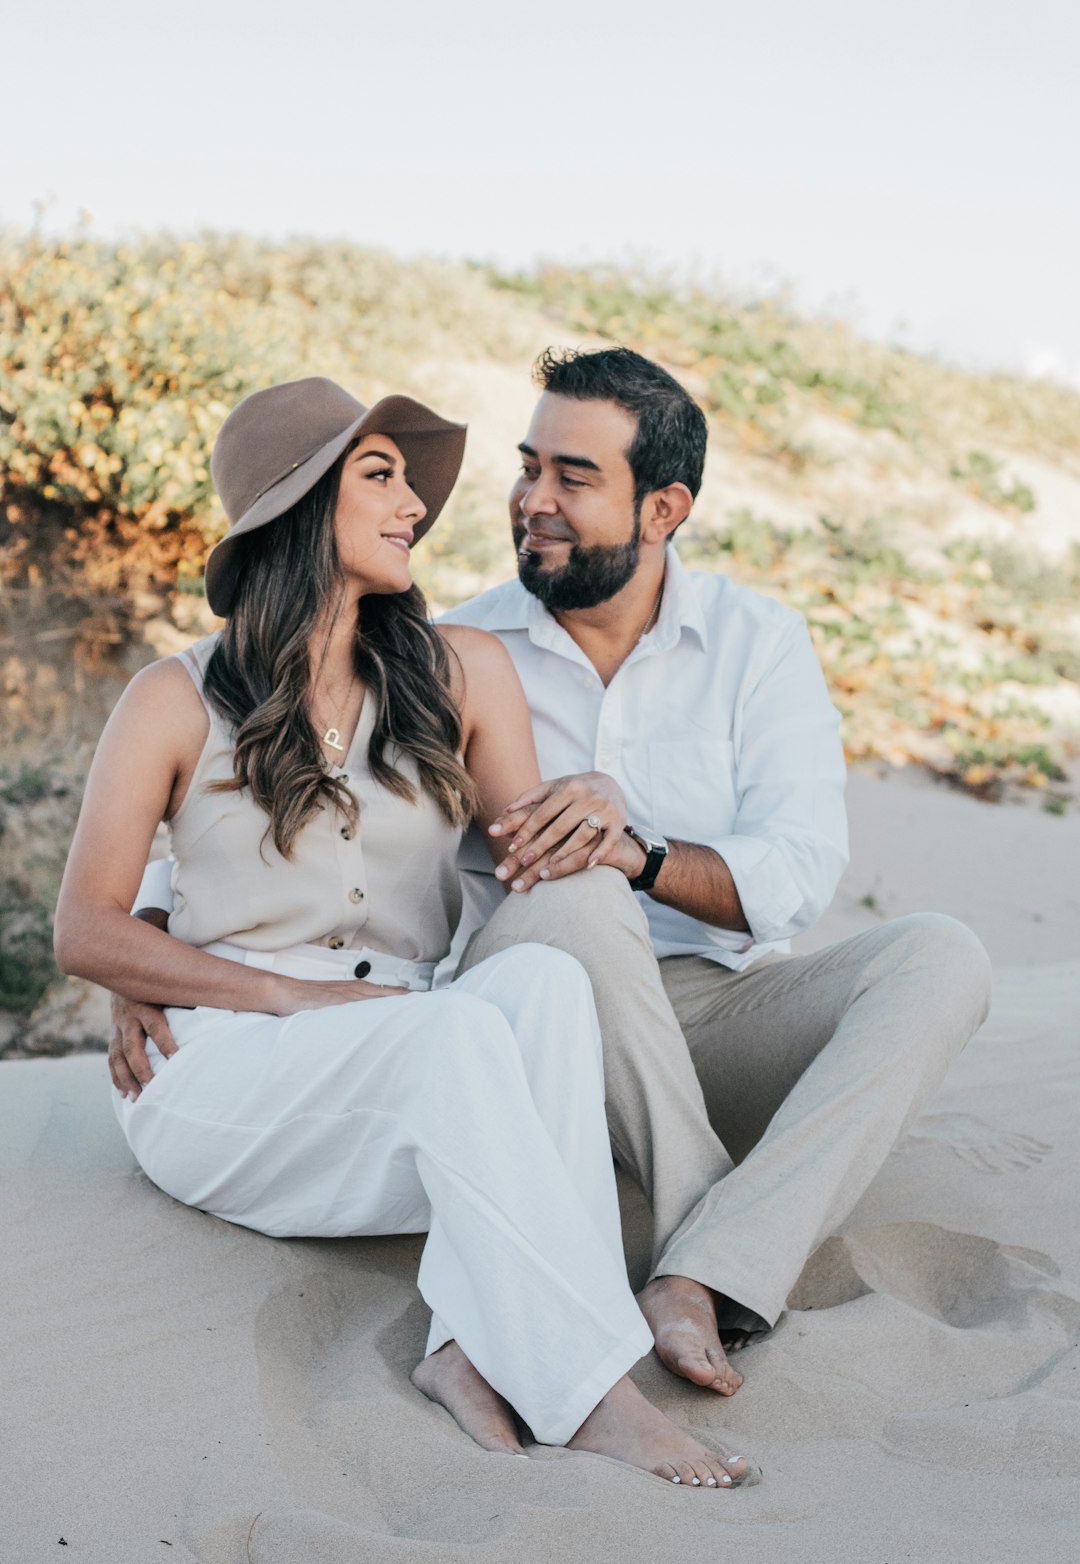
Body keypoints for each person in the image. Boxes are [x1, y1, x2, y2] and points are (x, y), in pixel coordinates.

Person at [111, 348, 992, 1405]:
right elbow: (268, 805)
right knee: (574, 895)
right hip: (532, 994)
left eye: (573, 479)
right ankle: (691, 1249)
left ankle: (715, 1258)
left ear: (662, 507)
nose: (531, 501)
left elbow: (798, 874)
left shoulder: (759, 645)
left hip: (713, 1005)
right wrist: (151, 940)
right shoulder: (450, 643)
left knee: (942, 956)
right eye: (529, 468)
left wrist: (643, 850)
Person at [55, 375, 756, 1490]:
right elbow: (83, 930)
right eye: (378, 476)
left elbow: (541, 868)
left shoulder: (461, 672)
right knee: (459, 1036)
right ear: (298, 508)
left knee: (540, 991)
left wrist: (604, 807)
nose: (414, 506)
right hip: (222, 1068)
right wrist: (278, 993)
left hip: (408, 1054)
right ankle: (595, 1396)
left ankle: (469, 1348)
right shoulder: (174, 699)